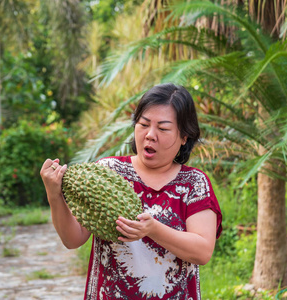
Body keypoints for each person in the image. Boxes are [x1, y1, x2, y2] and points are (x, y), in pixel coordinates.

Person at [40, 83, 222, 300]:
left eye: (163, 128)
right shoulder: (108, 171)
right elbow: (73, 239)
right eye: (143, 124)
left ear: (185, 137)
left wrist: (153, 229)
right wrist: (54, 195)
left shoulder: (194, 184)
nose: (150, 135)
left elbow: (202, 251)